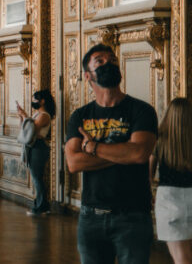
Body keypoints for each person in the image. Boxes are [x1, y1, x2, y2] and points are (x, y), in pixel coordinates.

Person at [65, 44, 157, 264]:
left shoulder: (142, 111)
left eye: (112, 60)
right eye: (100, 61)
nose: (109, 63)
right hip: (91, 216)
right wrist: (121, 150)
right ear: (88, 75)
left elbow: (139, 154)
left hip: (133, 215)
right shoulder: (80, 116)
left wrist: (94, 148)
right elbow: (74, 162)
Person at [150, 97, 192, 263]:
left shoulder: (159, 140)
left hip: (169, 199)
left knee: (180, 256)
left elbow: (148, 174)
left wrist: (149, 195)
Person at [17, 89, 55, 216]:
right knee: (36, 177)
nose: (32, 101)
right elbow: (24, 128)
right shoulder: (36, 114)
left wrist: (24, 114)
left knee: (37, 177)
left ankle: (41, 207)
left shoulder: (44, 116)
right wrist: (22, 117)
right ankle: (41, 204)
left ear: (42, 101)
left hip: (39, 146)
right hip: (33, 146)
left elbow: (32, 128)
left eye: (35, 99)